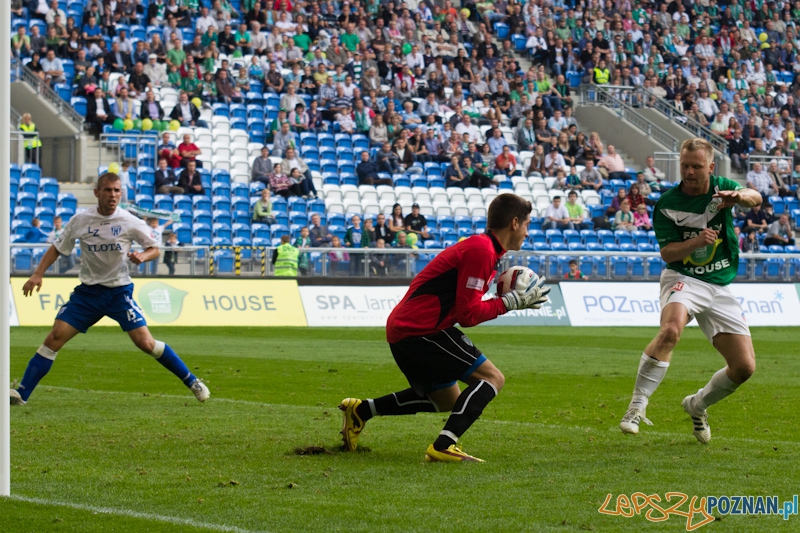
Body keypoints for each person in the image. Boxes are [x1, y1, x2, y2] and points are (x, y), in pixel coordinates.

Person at [338, 193, 551, 462]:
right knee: (492, 378)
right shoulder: (482, 251)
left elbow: (464, 308)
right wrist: (508, 303)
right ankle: (443, 445)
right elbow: (468, 315)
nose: (527, 232)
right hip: (421, 329)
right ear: (514, 222)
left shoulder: (483, 248)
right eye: (527, 225)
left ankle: (362, 411)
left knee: (446, 399)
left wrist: (506, 302)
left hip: (410, 327)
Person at [10, 172, 209, 407]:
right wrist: (37, 273)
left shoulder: (130, 221)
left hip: (119, 293)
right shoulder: (81, 220)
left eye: (117, 190)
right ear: (97, 192)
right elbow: (57, 247)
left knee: (146, 343)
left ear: (121, 193)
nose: (113, 195)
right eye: (107, 190)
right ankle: (22, 393)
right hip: (88, 294)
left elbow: (154, 248)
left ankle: (192, 381)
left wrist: (143, 256)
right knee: (54, 337)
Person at [619, 138, 761, 444]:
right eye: (685, 165)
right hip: (682, 277)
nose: (690, 171)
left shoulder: (721, 188)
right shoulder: (668, 203)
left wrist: (739, 197)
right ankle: (637, 405)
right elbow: (668, 254)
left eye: (697, 166)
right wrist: (697, 241)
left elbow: (756, 197)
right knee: (670, 330)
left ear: (710, 167)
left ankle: (697, 405)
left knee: (744, 367)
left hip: (719, 283)